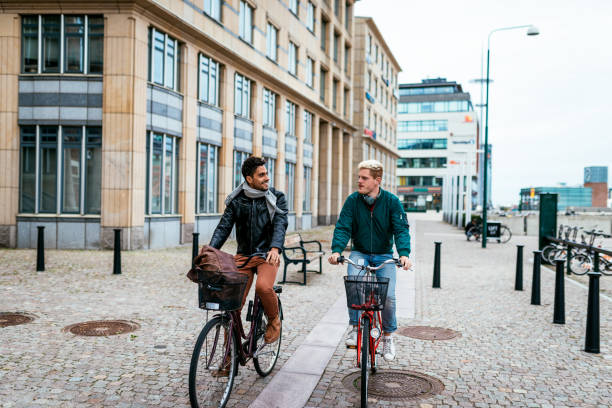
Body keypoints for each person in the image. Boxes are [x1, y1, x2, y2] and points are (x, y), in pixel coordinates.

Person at [328, 160, 412, 362]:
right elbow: (343, 227)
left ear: (377, 180)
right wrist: (337, 250)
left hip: (384, 255)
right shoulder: (353, 201)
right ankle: (355, 326)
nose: (359, 181)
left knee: (389, 297)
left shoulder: (392, 202)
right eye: (359, 177)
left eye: (364, 178)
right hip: (360, 252)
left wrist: (404, 254)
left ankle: (389, 337)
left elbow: (401, 229)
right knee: (354, 284)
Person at [210, 156, 288, 344]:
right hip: (244, 256)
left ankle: (274, 320)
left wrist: (275, 248)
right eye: (261, 175)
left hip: (267, 254)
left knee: (263, 287)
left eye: (266, 173)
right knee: (233, 305)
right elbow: (223, 227)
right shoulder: (236, 200)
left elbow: (280, 223)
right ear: (249, 179)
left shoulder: (276, 197)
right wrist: (210, 251)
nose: (267, 178)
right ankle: (230, 356)